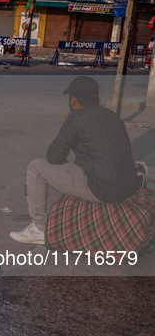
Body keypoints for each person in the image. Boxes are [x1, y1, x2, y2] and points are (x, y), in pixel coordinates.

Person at [10, 76, 139, 244]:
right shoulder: (112, 116)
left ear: (73, 99)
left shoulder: (77, 118)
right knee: (78, 164)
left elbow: (54, 156)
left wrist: (70, 123)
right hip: (128, 185)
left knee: (36, 168)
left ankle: (40, 229)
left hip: (105, 189)